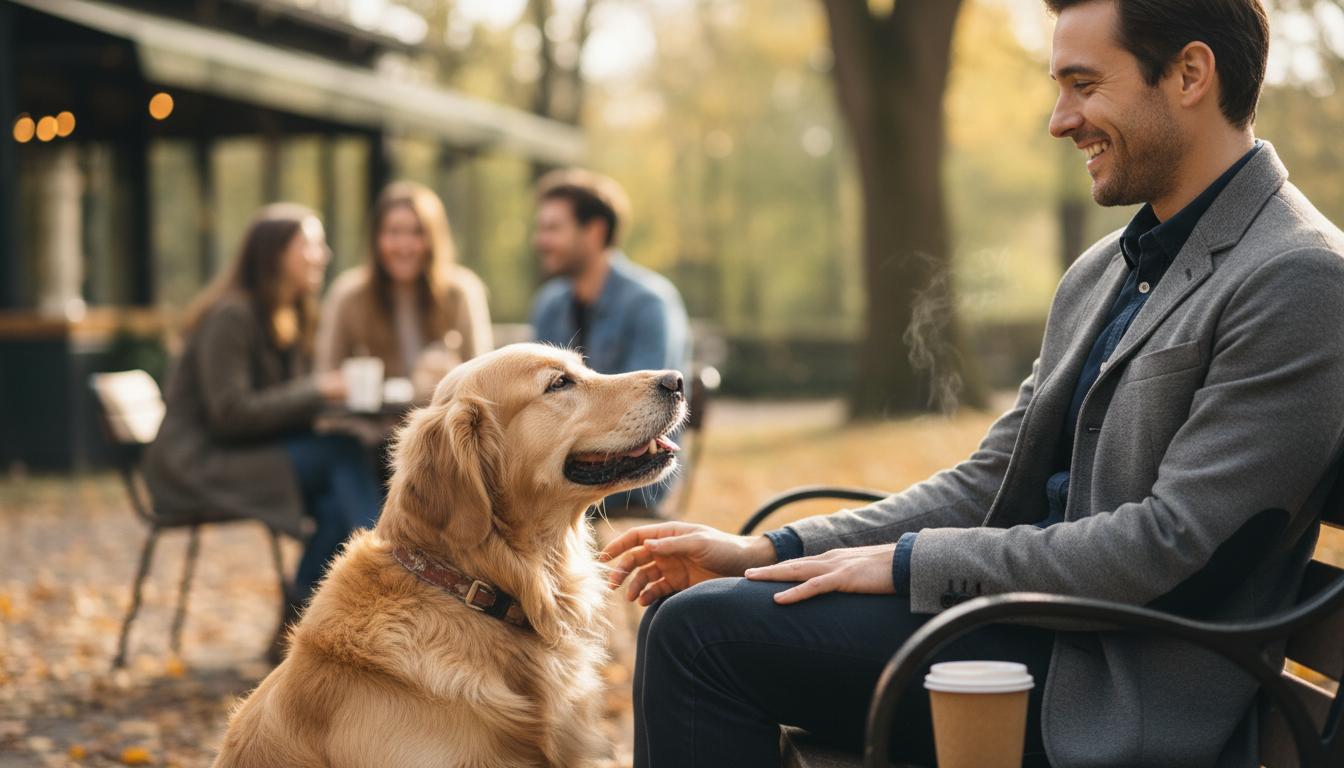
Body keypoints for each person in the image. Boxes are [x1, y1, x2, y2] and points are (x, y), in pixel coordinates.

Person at [601, 1, 1344, 766]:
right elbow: (990, 479)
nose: (1061, 121)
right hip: (1022, 636)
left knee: (703, 635)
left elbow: (1175, 548)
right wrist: (763, 548)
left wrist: (906, 564)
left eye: (1084, 84)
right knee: (688, 614)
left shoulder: (1299, 277)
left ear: (1190, 74)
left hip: (1113, 685)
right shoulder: (1106, 270)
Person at [145, 203, 383, 661]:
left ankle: (298, 634)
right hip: (198, 464)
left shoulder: (283, 315)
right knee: (342, 454)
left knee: (338, 502)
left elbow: (277, 405)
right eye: (310, 244)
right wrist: (318, 390)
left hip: (246, 455)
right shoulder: (231, 317)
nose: (323, 254)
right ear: (276, 254)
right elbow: (230, 415)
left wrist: (320, 395)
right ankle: (383, 572)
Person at [530, 169, 690, 517]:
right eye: (541, 228)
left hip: (637, 473)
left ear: (595, 232)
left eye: (553, 228)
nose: (540, 240)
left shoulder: (650, 303)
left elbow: (645, 415)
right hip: (565, 462)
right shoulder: (548, 304)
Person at [317, 181, 493, 400]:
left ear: (434, 239)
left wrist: (454, 376)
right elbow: (326, 376)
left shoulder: (461, 292)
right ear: (377, 239)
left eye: (417, 233)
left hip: (439, 424)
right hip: (366, 429)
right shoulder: (348, 295)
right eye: (394, 232)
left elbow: (484, 375)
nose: (404, 245)